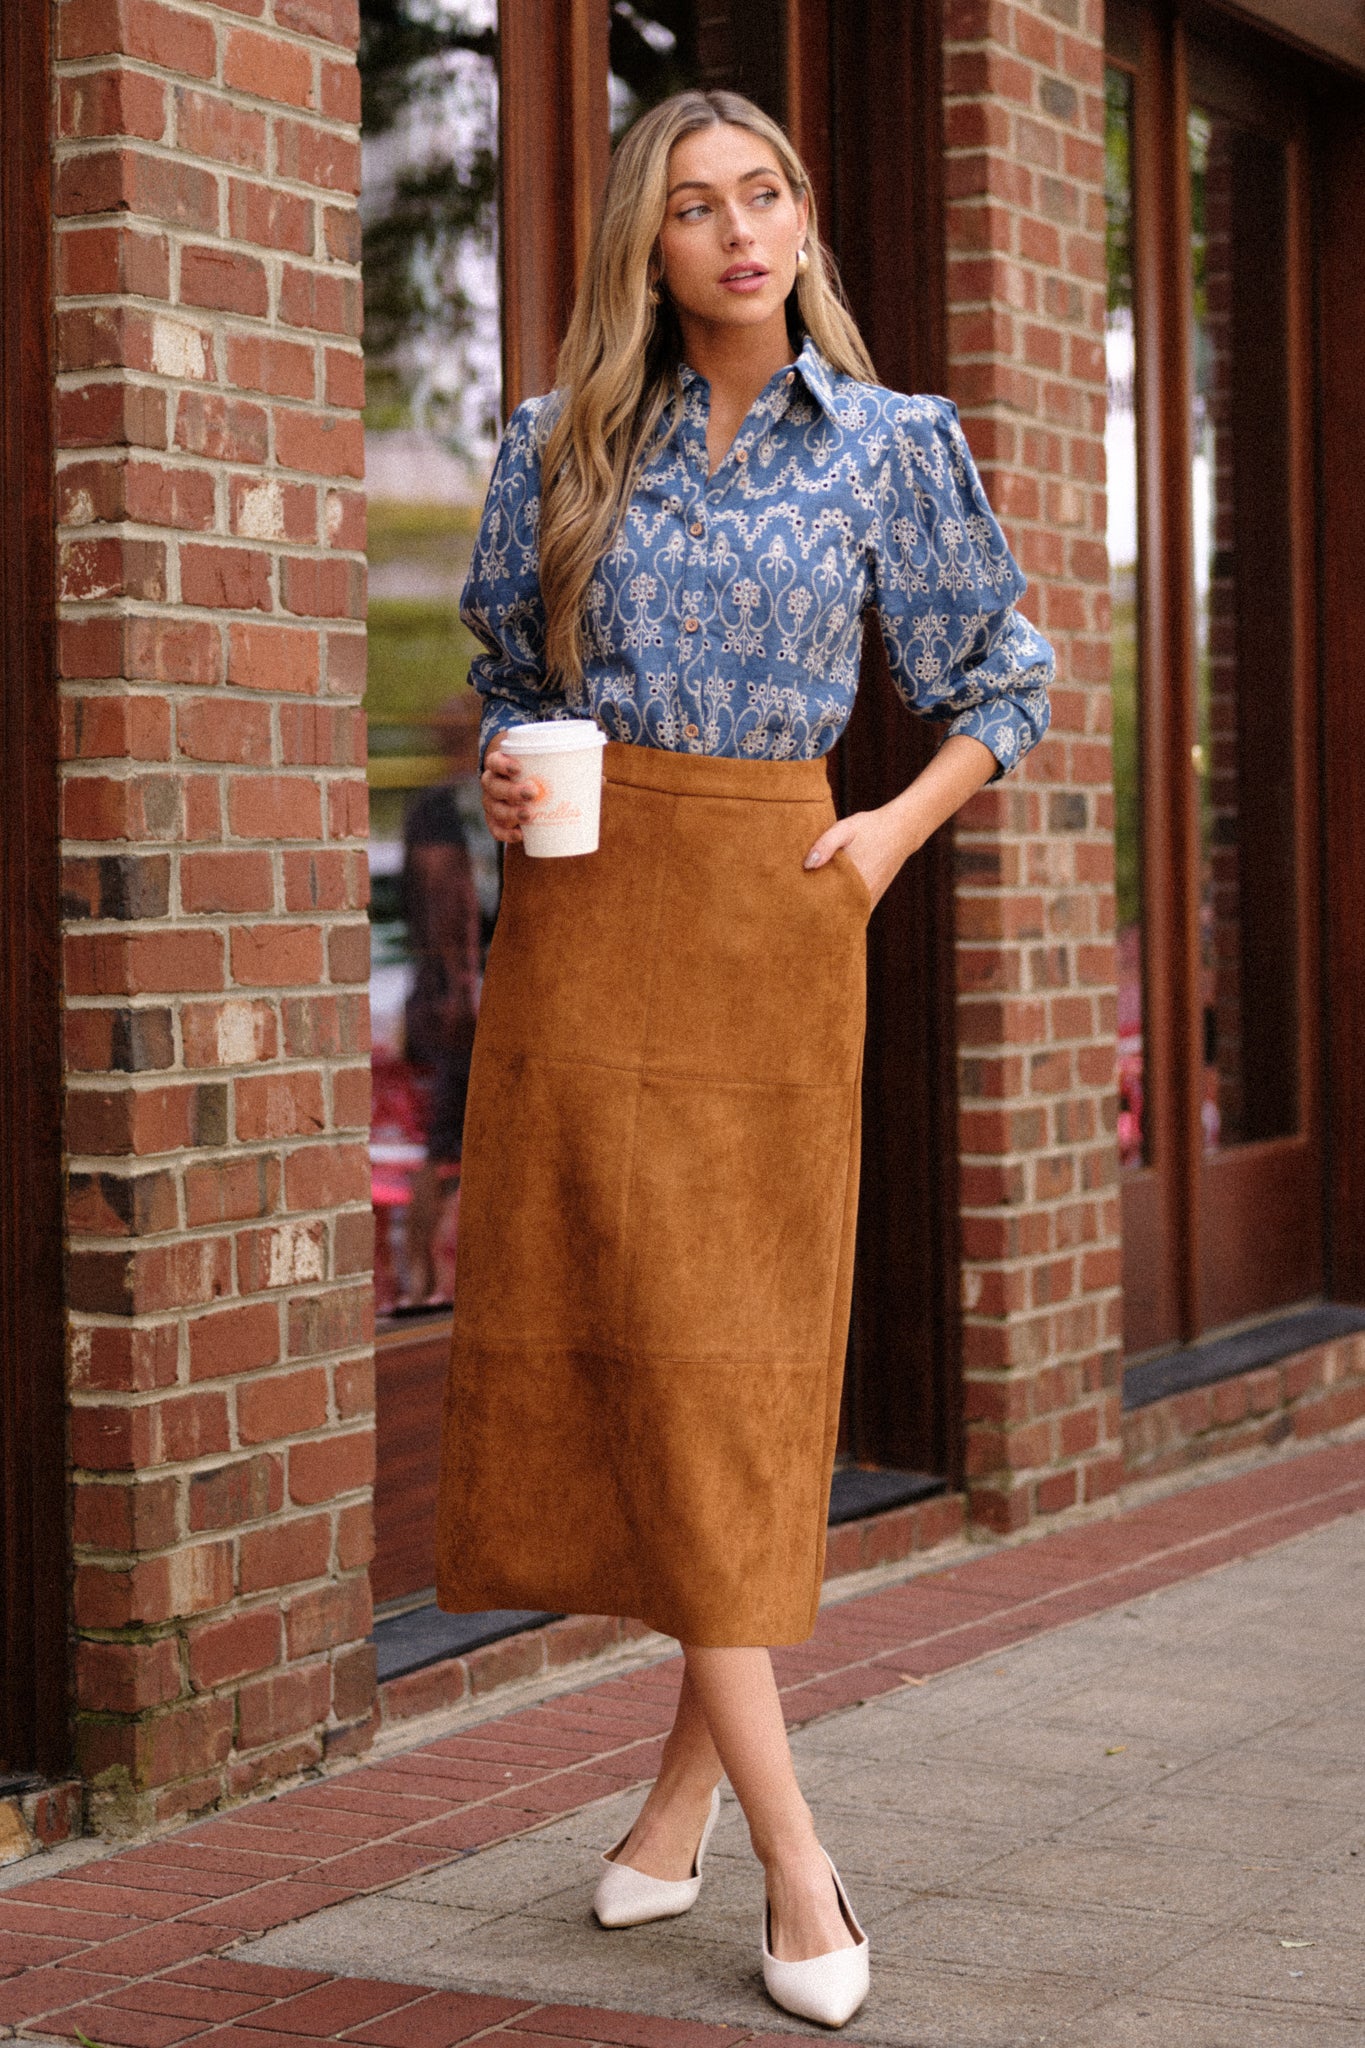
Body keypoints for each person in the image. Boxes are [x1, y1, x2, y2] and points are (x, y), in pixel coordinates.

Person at [435, 89, 1052, 2028]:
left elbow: (1002, 677)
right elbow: (508, 685)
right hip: (587, 929)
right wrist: (500, 772)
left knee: (732, 1375)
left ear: (797, 217)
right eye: (693, 205)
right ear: (646, 241)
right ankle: (729, 1824)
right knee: (627, 1355)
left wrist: (881, 834)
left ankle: (773, 1842)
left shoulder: (888, 446)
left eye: (763, 193)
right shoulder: (551, 450)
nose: (735, 231)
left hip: (776, 924)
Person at [399, 695, 482, 1304]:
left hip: (439, 998)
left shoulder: (430, 806)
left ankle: (423, 1282)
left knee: (440, 1149)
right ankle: (433, 1284)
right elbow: (456, 909)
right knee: (448, 1151)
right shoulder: (455, 808)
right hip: (464, 1006)